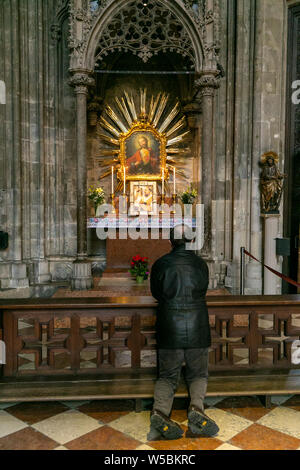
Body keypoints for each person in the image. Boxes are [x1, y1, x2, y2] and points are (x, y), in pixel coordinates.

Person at [148, 224, 219, 441]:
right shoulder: (200, 264)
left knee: (167, 376)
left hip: (170, 325)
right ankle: (196, 410)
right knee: (198, 374)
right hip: (197, 324)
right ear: (190, 240)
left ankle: (159, 414)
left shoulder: (161, 264)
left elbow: (156, 293)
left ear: (171, 241)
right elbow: (203, 289)